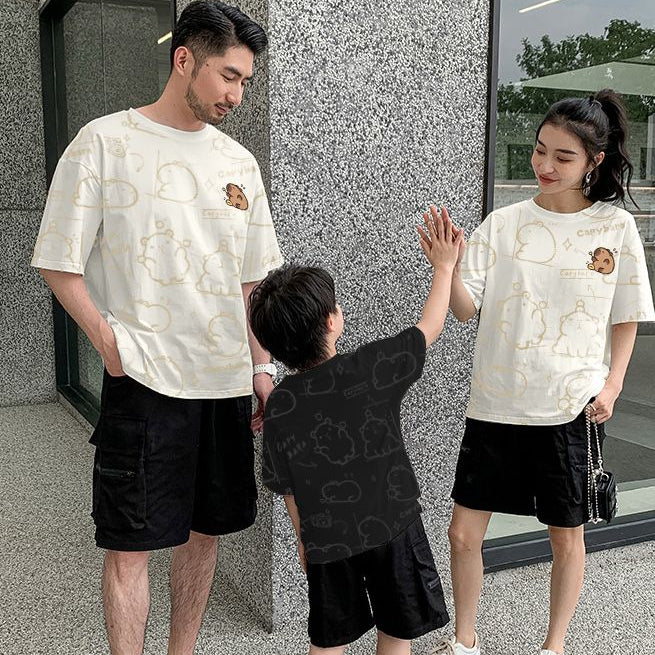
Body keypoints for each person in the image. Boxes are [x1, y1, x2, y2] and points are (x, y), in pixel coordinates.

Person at [30, 2, 283, 653]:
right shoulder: (104, 142)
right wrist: (107, 342)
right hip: (143, 381)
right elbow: (58, 258)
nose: (236, 94)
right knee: (130, 545)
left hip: (224, 385)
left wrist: (261, 367)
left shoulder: (239, 164)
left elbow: (252, 281)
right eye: (228, 75)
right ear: (183, 59)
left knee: (205, 536)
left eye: (245, 81)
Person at [429, 89, 655, 655]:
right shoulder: (504, 224)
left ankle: (553, 646)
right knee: (462, 533)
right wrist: (446, 267)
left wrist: (613, 384)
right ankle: (464, 640)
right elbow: (465, 309)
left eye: (563, 156)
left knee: (565, 536)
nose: (545, 165)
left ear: (594, 161)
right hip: (496, 401)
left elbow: (626, 315)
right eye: (539, 150)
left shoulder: (614, 228)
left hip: (569, 404)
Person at [248, 211, 461, 655]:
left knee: (329, 639)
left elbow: (286, 486)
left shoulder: (280, 405)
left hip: (326, 542)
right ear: (331, 322)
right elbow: (431, 326)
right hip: (394, 525)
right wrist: (444, 266)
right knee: (397, 629)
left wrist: (305, 542)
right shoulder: (372, 367)